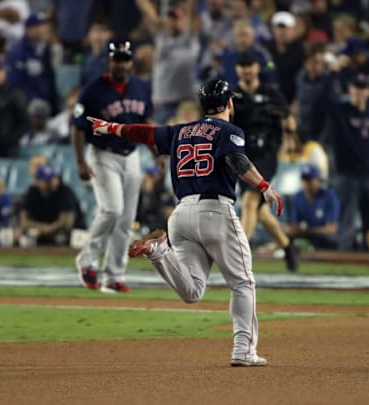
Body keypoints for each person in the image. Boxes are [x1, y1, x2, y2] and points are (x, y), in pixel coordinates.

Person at [88, 79, 285, 367]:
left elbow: (145, 133)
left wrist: (111, 128)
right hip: (215, 210)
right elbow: (236, 159)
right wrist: (264, 186)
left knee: (192, 291)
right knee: (243, 281)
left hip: (180, 216)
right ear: (229, 103)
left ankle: (158, 252)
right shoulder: (229, 130)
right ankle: (243, 350)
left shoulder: (180, 131)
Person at [71, 41, 153, 293]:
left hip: (131, 156)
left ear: (131, 62)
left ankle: (115, 275)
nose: (122, 63)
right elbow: (78, 127)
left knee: (127, 219)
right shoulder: (93, 90)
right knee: (112, 210)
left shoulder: (140, 87)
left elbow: (144, 121)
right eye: (117, 59)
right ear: (109, 61)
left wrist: (156, 150)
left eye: (125, 59)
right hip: (103, 154)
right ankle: (87, 259)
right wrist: (81, 161)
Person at [232, 51, 298, 272]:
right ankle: (287, 246)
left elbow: (288, 117)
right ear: (237, 69)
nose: (247, 70)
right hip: (242, 155)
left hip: (267, 154)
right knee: (260, 211)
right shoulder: (233, 95)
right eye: (243, 65)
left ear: (257, 67)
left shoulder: (271, 93)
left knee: (251, 200)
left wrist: (290, 130)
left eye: (250, 65)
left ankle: (241, 252)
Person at [327, 73, 369, 253]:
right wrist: (334, 74)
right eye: (356, 87)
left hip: (368, 174)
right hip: (347, 173)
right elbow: (327, 99)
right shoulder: (340, 111)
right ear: (350, 89)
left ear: (368, 91)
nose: (359, 91)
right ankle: (345, 256)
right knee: (347, 220)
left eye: (363, 88)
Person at [151, 7, 200, 125]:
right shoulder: (160, 39)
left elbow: (194, 18)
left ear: (184, 21)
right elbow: (152, 21)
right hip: (164, 104)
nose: (173, 23)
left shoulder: (191, 39)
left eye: (176, 19)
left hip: (186, 104)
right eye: (170, 19)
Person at [5, 12, 58, 114]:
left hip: (48, 104)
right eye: (37, 26)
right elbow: (15, 82)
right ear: (28, 29)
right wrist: (33, 99)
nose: (41, 29)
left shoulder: (46, 48)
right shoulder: (17, 51)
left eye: (42, 25)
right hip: (27, 107)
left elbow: (50, 79)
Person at [19, 164, 82, 246]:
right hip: (40, 232)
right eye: (47, 180)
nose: (51, 182)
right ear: (37, 181)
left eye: (53, 178)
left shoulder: (65, 191)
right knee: (25, 238)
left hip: (69, 234)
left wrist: (48, 229)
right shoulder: (31, 192)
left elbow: (67, 223)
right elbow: (24, 221)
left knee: (61, 237)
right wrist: (42, 228)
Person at [287, 164, 340, 250]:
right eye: (304, 179)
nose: (307, 183)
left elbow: (331, 230)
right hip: (306, 238)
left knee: (328, 239)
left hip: (325, 241)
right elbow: (293, 225)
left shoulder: (329, 196)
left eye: (310, 179)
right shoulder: (298, 197)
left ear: (318, 180)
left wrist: (309, 230)